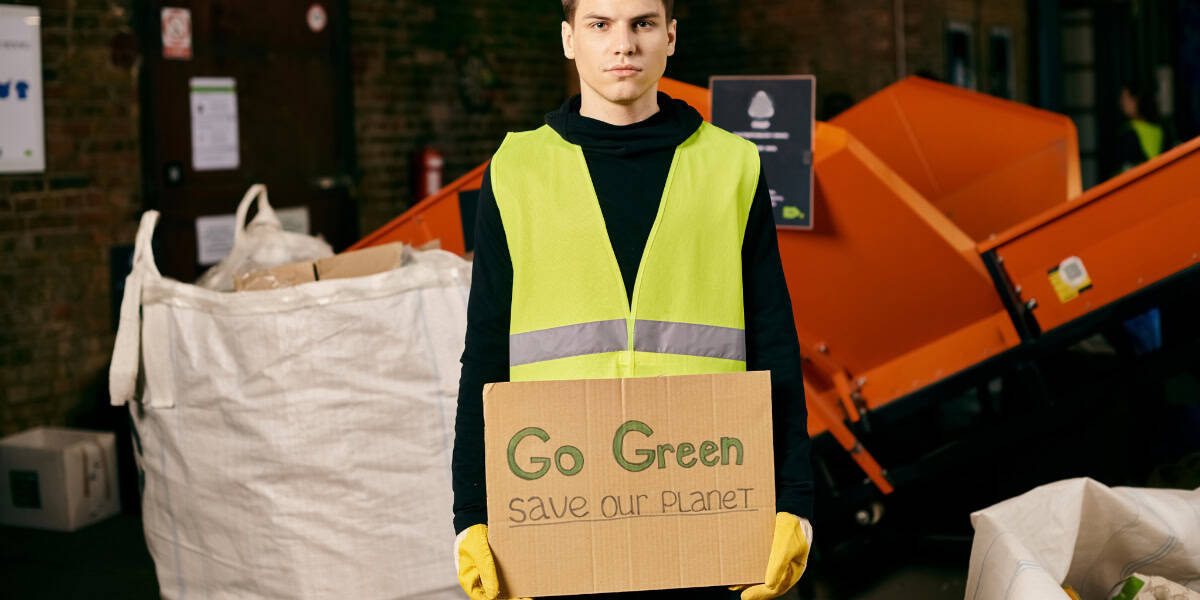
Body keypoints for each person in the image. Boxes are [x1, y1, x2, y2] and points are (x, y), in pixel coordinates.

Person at [451, 1, 815, 598]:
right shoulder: (516, 169)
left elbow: (773, 338)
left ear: (670, 37)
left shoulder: (732, 165)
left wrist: (794, 499)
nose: (624, 44)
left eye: (642, 24)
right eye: (600, 25)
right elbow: (485, 350)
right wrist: (471, 513)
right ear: (569, 39)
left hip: (701, 499)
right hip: (558, 503)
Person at [1117, 81, 1165, 172]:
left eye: (1125, 98)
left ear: (1135, 101)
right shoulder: (1161, 129)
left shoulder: (1129, 132)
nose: (1121, 103)